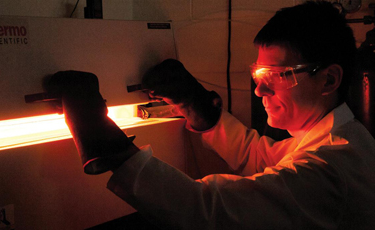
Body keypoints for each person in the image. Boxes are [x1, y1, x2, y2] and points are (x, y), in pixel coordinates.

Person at [48, 1, 375, 229]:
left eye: (277, 76)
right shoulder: (332, 140)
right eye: (259, 74)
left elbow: (206, 211)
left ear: (329, 79)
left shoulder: (330, 168)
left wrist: (105, 142)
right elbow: (261, 158)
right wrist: (199, 107)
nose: (260, 91)